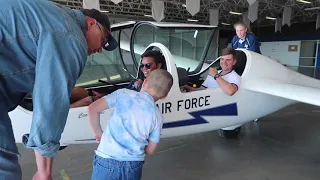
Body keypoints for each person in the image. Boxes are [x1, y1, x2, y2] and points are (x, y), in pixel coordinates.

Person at [0, 0, 118, 179]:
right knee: (5, 170)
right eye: (104, 39)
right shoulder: (71, 36)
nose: (100, 49)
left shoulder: (54, 17)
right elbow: (50, 105)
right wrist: (44, 171)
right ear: (92, 23)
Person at [88, 69, 173, 180]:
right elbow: (150, 150)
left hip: (106, 160)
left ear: (145, 81)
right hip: (133, 166)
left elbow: (93, 109)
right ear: (164, 96)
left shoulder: (123, 94)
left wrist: (98, 132)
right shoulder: (157, 116)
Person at [70, 50, 166, 108]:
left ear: (158, 66)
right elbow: (124, 90)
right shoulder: (140, 81)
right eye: (142, 65)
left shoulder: (157, 86)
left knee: (90, 100)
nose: (144, 69)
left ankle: (62, 113)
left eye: (148, 65)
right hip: (117, 98)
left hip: (121, 103)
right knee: (80, 91)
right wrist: (103, 95)